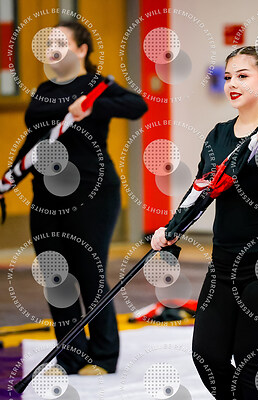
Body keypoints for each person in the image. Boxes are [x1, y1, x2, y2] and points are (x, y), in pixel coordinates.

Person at [151, 46, 258, 399]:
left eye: (243, 76)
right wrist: (171, 228)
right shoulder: (218, 136)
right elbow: (200, 190)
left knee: (250, 365)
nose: (232, 83)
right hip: (225, 264)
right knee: (207, 357)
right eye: (228, 77)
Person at [8, 21, 147, 374]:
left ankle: (103, 354)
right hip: (46, 196)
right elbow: (34, 143)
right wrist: (8, 180)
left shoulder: (97, 87)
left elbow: (137, 105)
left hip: (92, 194)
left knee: (89, 272)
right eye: (48, 43)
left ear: (82, 49)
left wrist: (90, 107)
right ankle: (71, 355)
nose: (52, 48)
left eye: (61, 41)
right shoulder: (42, 91)